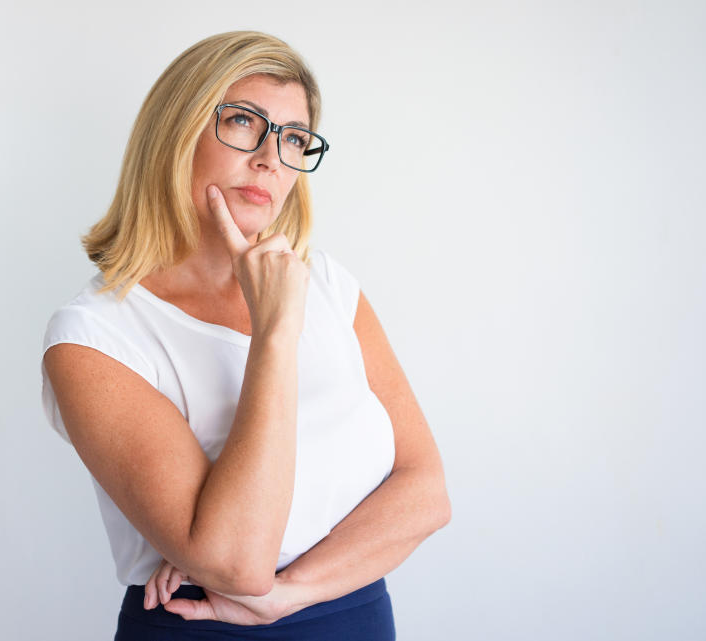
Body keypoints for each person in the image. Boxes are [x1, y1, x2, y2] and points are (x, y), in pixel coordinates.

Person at [40, 30, 450, 640]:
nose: (268, 158)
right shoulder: (94, 337)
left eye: (293, 138)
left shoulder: (329, 284)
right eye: (241, 122)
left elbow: (426, 494)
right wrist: (274, 332)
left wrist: (287, 593)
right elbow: (236, 560)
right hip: (198, 628)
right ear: (175, 132)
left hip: (353, 617)